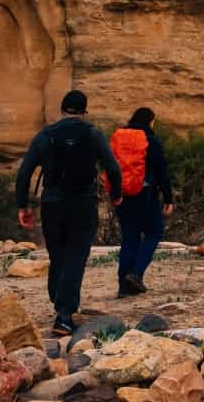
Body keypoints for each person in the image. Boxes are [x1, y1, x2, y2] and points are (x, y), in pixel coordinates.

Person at [14, 89, 122, 335]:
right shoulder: (92, 134)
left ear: (62, 110)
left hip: (52, 203)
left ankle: (59, 301)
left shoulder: (45, 135)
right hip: (83, 203)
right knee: (76, 255)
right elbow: (112, 168)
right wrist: (116, 194)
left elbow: (24, 173)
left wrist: (23, 205)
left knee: (59, 254)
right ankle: (64, 314)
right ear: (85, 111)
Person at [110, 108, 173, 297]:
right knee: (154, 233)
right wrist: (168, 198)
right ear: (150, 122)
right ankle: (135, 275)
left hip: (122, 195)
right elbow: (162, 172)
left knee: (130, 237)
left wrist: (114, 193)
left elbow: (109, 166)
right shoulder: (151, 141)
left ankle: (123, 286)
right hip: (145, 195)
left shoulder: (119, 138)